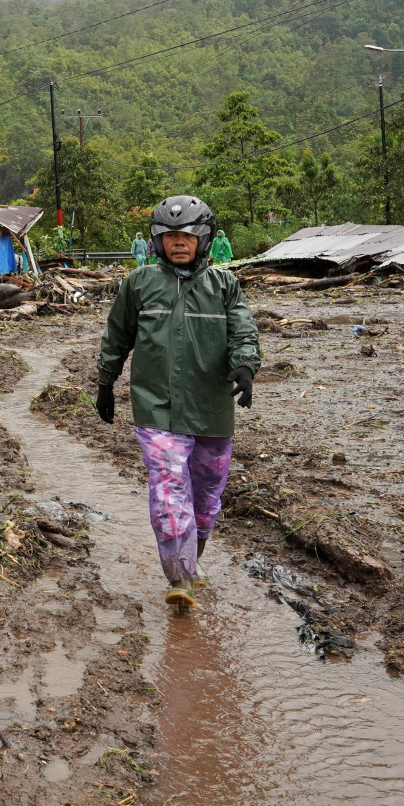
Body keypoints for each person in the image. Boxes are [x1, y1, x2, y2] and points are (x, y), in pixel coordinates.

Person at [95, 196, 259, 610]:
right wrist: (106, 380)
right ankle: (179, 578)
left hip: (211, 407)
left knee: (205, 499)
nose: (179, 242)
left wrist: (245, 367)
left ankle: (192, 561)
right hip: (156, 406)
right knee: (169, 490)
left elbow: (243, 330)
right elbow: (118, 336)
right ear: (157, 241)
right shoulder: (139, 283)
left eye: (187, 235)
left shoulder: (225, 285)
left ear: (203, 238)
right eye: (170, 236)